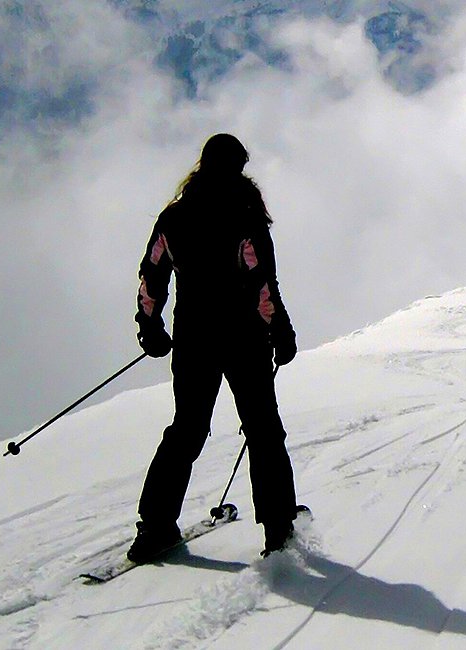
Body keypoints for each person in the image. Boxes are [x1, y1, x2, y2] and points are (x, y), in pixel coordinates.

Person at [128, 133, 302, 563]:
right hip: (244, 337)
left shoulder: (175, 216)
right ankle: (278, 528)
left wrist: (150, 327)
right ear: (239, 166)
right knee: (262, 427)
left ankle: (154, 528)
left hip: (194, 338)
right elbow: (261, 280)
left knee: (186, 429)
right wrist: (280, 331)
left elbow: (153, 274)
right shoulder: (244, 215)